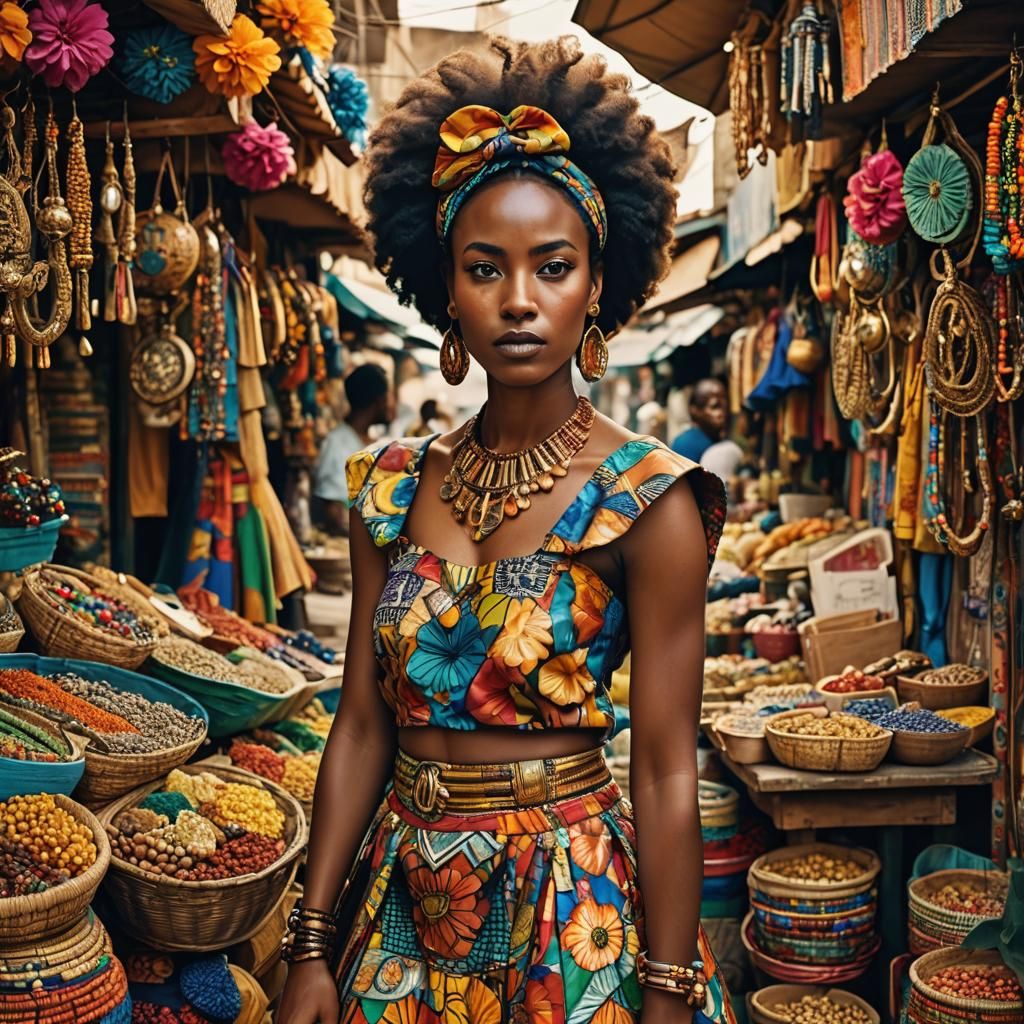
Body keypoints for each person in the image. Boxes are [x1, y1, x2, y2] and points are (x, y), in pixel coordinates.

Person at [277, 36, 735, 1024]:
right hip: (400, 899)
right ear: (444, 289)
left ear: (596, 284)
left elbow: (663, 767)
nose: (519, 300)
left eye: (552, 266)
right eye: (485, 268)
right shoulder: (389, 488)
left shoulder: (650, 500)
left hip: (572, 916)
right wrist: (311, 939)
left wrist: (665, 989)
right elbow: (361, 723)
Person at [313, 364, 393, 534]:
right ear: (379, 401)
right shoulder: (336, 443)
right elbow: (334, 511)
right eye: (388, 396)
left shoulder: (374, 441)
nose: (391, 404)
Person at [671, 379, 728, 463]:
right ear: (695, 411)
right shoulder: (686, 445)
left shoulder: (717, 439)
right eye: (715, 407)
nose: (722, 413)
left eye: (725, 406)